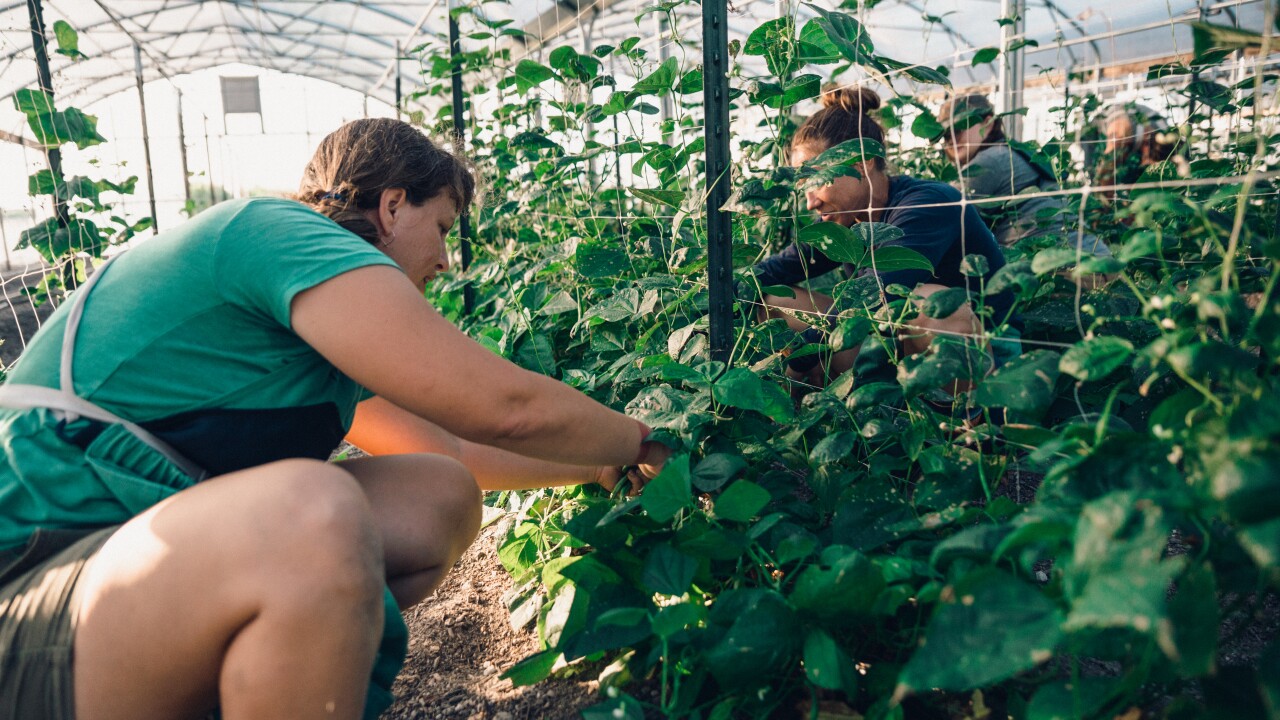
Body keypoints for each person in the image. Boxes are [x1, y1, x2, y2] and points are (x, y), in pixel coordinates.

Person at [0, 118, 669, 720]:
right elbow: (504, 408)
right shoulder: (278, 234)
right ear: (392, 205)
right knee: (314, 515)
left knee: (435, 497)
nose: (444, 260)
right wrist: (644, 442)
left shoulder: (313, 326)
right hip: (31, 573)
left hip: (126, 564)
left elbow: (453, 449)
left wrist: (598, 464)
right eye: (441, 228)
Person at [753, 87, 1021, 384]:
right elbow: (774, 270)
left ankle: (967, 410)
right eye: (804, 186)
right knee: (772, 296)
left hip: (989, 356)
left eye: (818, 180)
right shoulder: (844, 219)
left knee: (926, 303)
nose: (810, 202)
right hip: (894, 350)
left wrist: (798, 359)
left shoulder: (928, 203)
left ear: (861, 162)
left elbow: (875, 292)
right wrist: (721, 295)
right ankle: (832, 399)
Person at [936, 93, 1112, 257]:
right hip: (1092, 259)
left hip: (1066, 269)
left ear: (988, 124)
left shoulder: (990, 160)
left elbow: (938, 216)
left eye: (959, 128)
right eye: (945, 135)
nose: (951, 139)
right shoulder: (1011, 152)